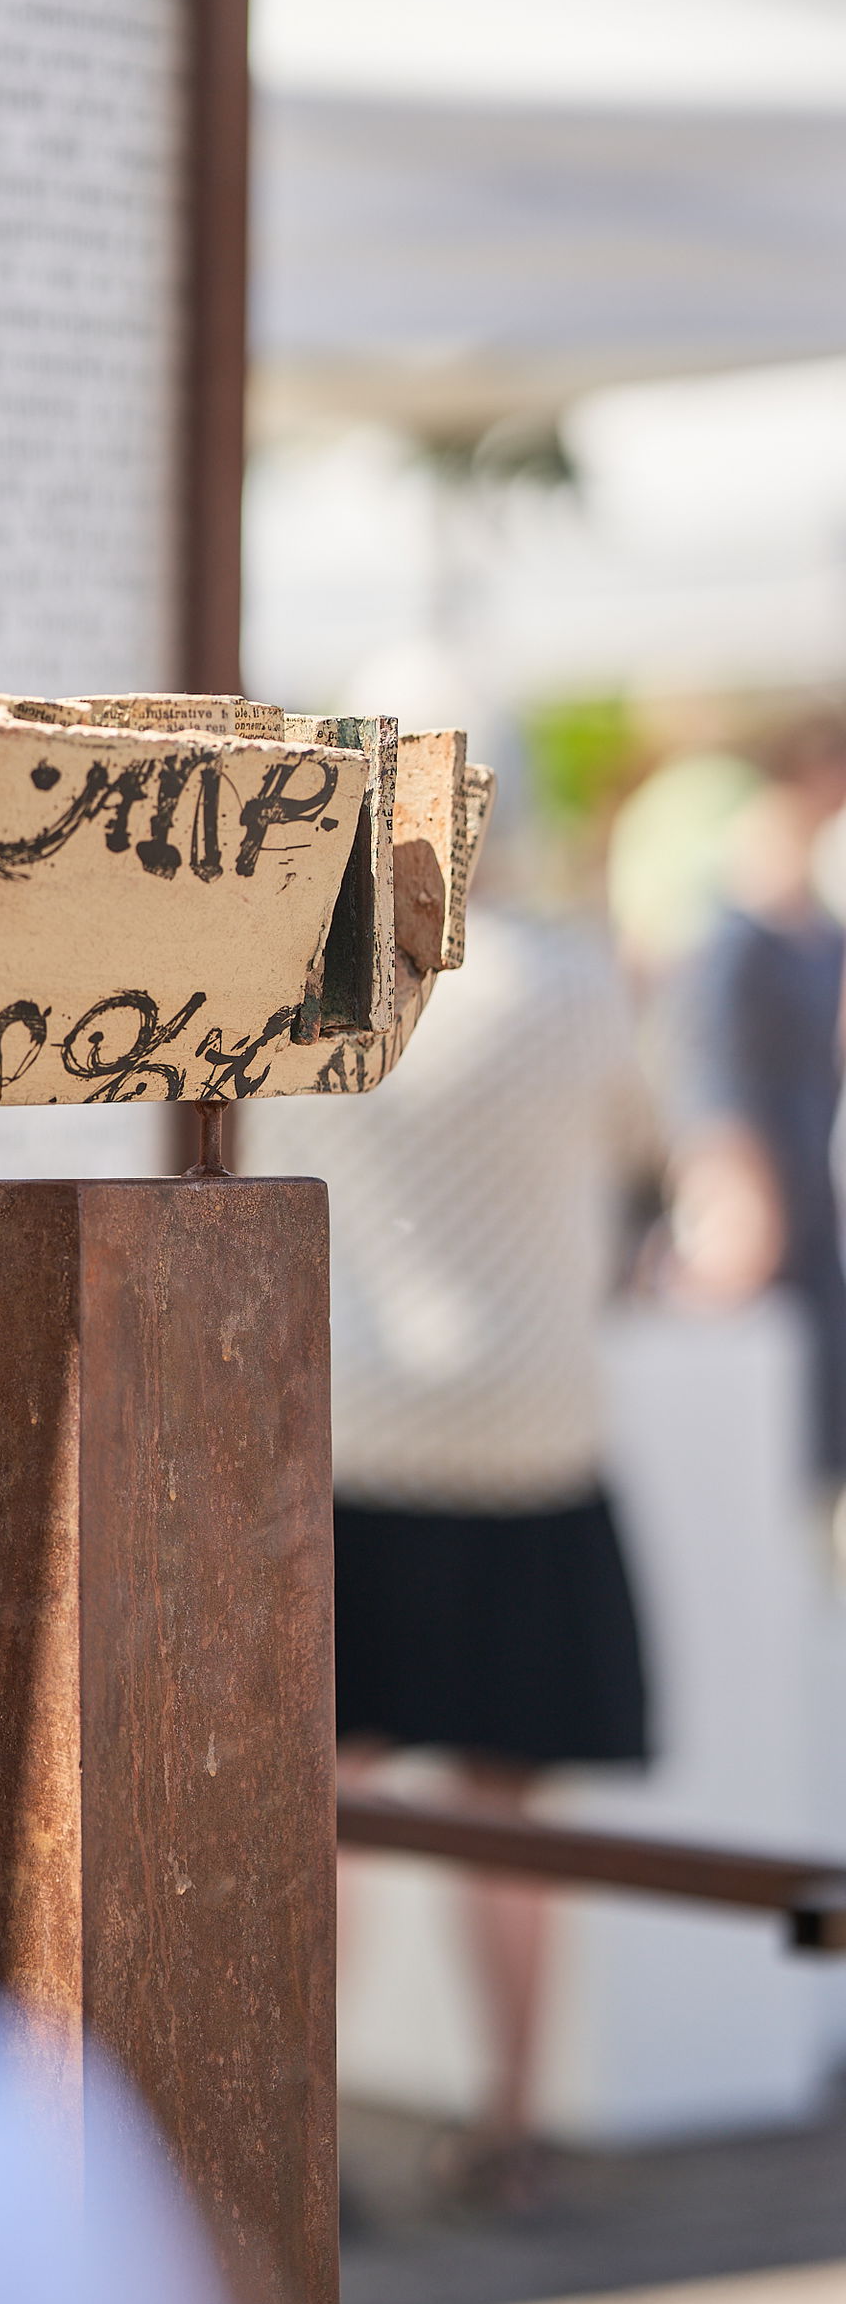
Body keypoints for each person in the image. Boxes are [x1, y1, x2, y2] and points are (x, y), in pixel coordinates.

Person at [242, 832, 651, 2212]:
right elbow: (652, 1142)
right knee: (507, 1798)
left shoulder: (311, 975)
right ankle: (514, 2122)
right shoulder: (570, 979)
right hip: (534, 1429)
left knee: (330, 1798)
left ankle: (317, 2134)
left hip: (357, 1427)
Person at [663, 713, 846, 1518]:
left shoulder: (819, 928)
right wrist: (740, 1201)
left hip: (814, 1201)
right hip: (768, 1214)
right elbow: (718, 1083)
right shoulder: (737, 939)